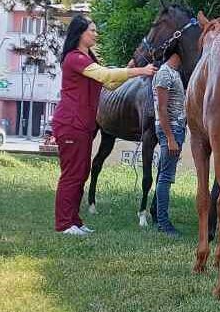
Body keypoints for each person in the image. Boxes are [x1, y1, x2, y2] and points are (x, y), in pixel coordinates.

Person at [52, 15, 154, 235]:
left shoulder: (88, 58)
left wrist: (128, 70)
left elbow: (109, 83)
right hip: (70, 123)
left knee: (81, 173)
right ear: (80, 33)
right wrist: (140, 71)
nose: (95, 34)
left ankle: (75, 221)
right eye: (92, 30)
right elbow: (106, 75)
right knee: (72, 174)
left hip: (82, 125)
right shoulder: (75, 58)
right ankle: (64, 224)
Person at [152, 40, 186, 237]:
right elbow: (161, 108)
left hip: (175, 129)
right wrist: (170, 138)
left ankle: (160, 218)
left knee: (163, 175)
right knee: (165, 177)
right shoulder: (165, 73)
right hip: (170, 130)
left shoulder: (174, 73)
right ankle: (163, 224)